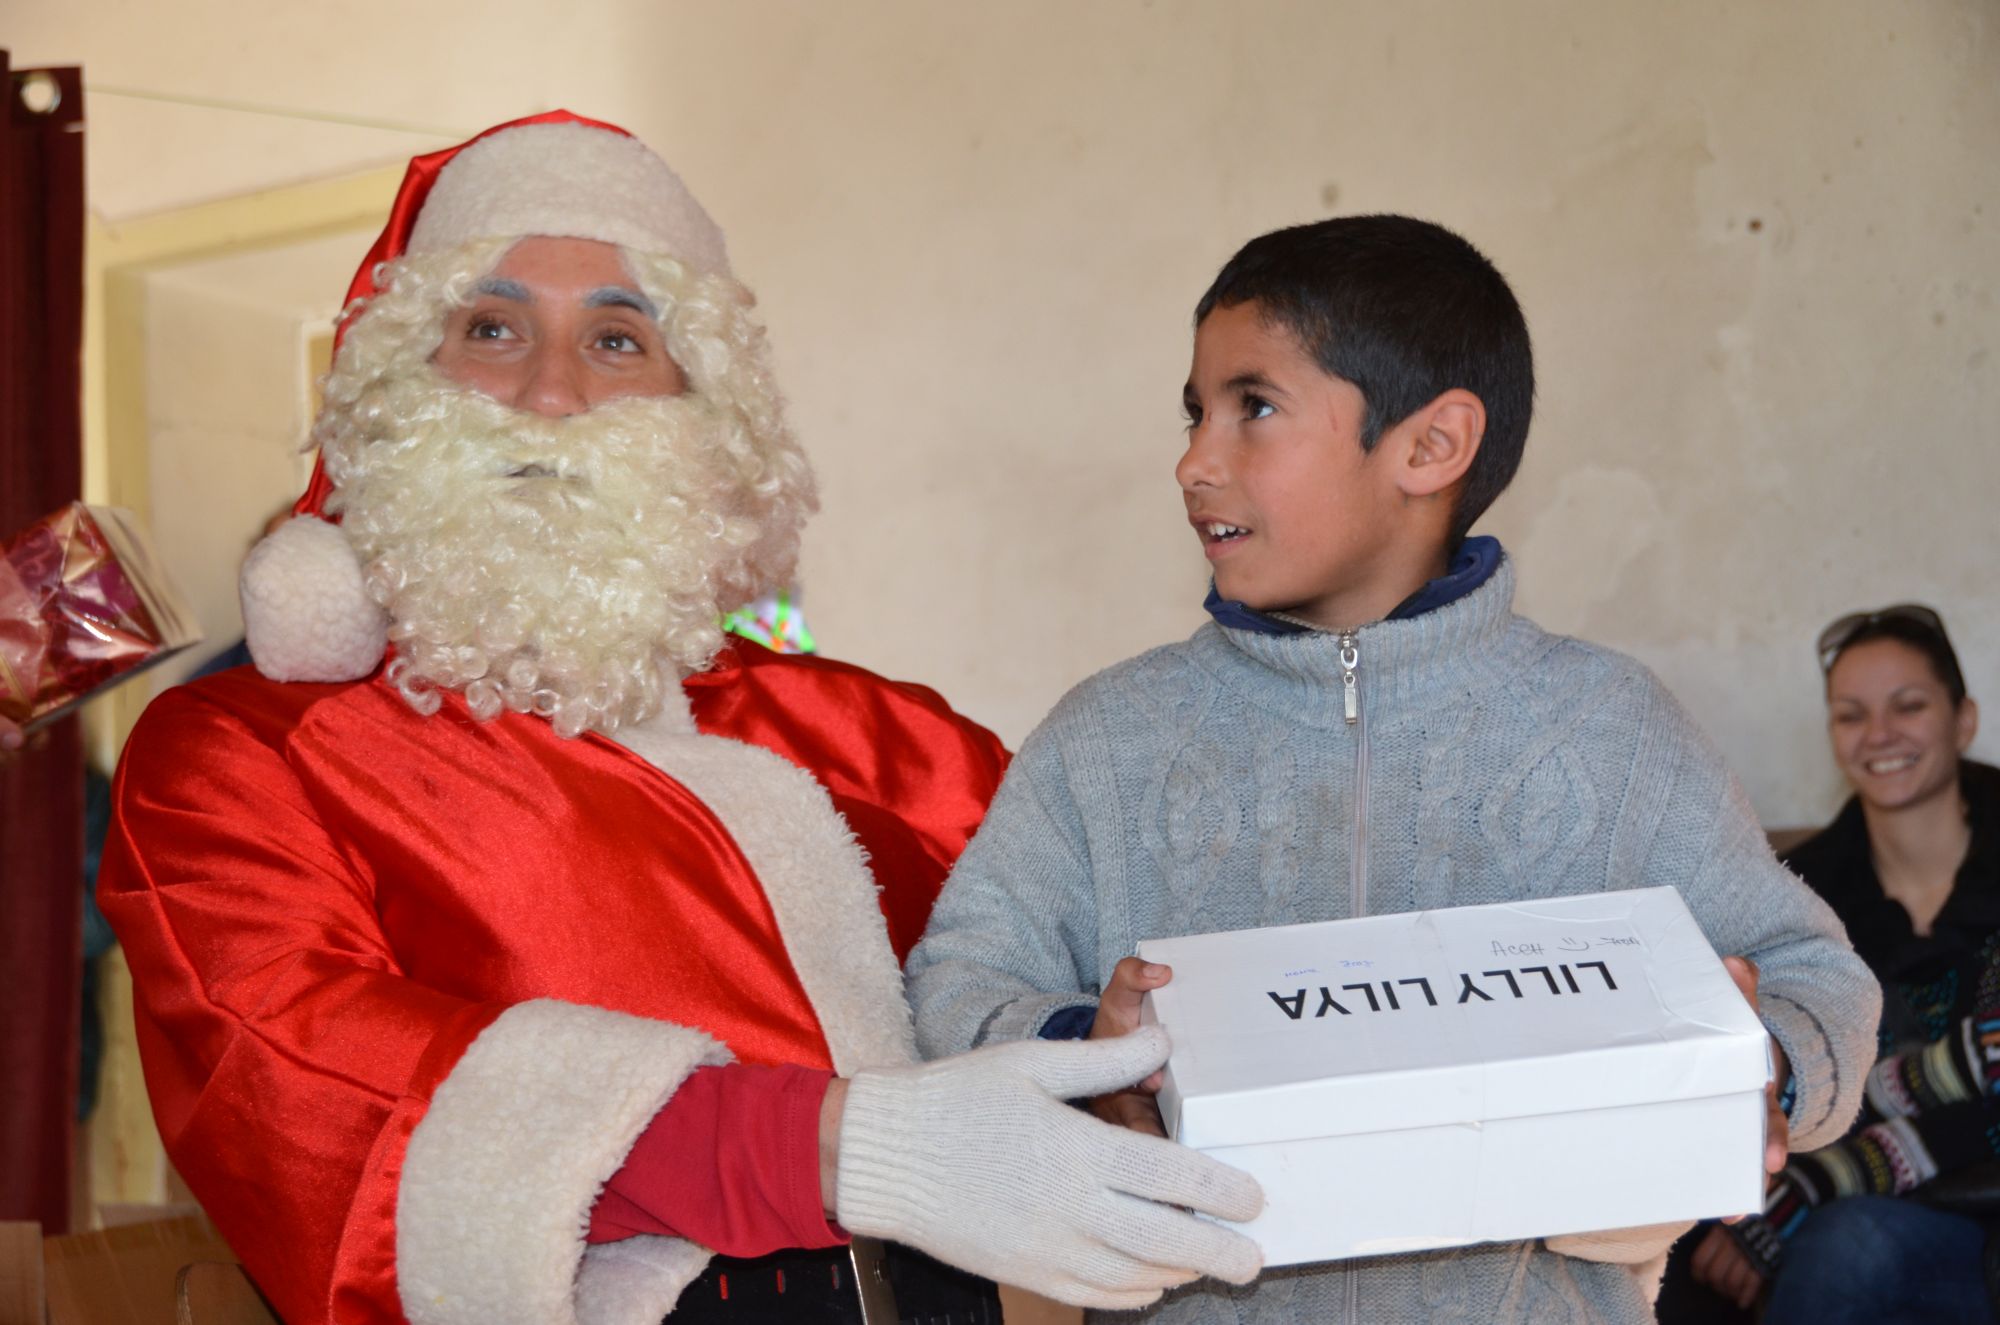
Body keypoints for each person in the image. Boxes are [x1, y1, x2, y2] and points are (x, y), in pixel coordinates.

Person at [97, 112, 1264, 1325]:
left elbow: (1076, 951)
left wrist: (1101, 1043)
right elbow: (307, 1078)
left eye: (617, 338)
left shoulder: (874, 734)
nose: (550, 394)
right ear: (396, 386)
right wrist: (842, 1148)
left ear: (706, 416)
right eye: (490, 327)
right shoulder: (243, 753)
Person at [902, 215, 1882, 1323]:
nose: (1193, 462)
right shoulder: (1106, 739)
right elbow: (956, 982)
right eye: (1193, 412)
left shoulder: (1609, 728)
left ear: (1429, 447)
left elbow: (1816, 979)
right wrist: (1087, 1056)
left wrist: (1760, 1065)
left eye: (1252, 407)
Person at [1680, 605, 1998, 1323]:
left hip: (1950, 1210)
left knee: (1848, 1248)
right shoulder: (1794, 896)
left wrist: (1808, 1189)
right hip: (1865, 1199)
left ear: (1964, 720)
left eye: (1908, 706)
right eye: (1851, 715)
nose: (1879, 733)